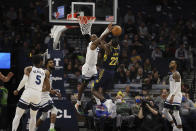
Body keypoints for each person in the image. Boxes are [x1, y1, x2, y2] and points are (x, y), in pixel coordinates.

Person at [75, 23, 113, 114]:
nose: (95, 38)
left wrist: (109, 43)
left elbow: (103, 45)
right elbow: (100, 38)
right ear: (91, 39)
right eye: (93, 37)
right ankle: (78, 103)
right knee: (83, 86)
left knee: (96, 86)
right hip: (87, 68)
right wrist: (107, 31)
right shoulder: (91, 45)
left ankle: (100, 104)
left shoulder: (97, 46)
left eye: (95, 37)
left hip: (93, 68)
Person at [12, 55, 50, 131]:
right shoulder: (45, 72)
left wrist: (17, 90)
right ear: (41, 62)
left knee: (18, 115)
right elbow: (48, 88)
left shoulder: (29, 68)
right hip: (38, 95)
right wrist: (38, 90)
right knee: (33, 117)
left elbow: (24, 80)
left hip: (28, 93)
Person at [91, 34, 120, 113]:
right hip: (112, 72)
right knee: (102, 91)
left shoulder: (108, 49)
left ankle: (106, 102)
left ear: (111, 43)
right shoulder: (118, 48)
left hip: (105, 71)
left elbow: (102, 43)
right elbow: (106, 43)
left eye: (110, 42)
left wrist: (97, 38)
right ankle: (109, 105)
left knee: (93, 90)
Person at [36, 59, 61, 131]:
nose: (52, 63)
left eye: (53, 62)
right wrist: (50, 90)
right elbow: (40, 85)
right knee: (54, 110)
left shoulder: (49, 72)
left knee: (44, 115)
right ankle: (51, 128)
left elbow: (48, 86)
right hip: (43, 95)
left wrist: (55, 91)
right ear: (47, 64)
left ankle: (33, 129)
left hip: (44, 94)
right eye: (50, 63)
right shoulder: (46, 72)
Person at [162, 60, 183, 131]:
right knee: (164, 111)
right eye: (170, 63)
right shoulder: (171, 75)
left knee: (176, 114)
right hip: (172, 94)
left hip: (176, 96)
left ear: (176, 65)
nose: (171, 64)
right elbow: (172, 88)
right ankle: (174, 126)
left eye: (172, 63)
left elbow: (177, 86)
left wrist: (172, 96)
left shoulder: (177, 74)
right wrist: (168, 95)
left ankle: (180, 129)